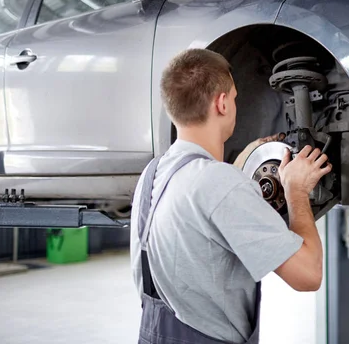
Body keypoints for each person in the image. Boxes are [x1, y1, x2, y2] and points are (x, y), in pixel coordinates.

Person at [130, 48, 332, 344]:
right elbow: (309, 275)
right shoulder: (220, 184)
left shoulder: (153, 174)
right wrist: (296, 191)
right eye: (236, 97)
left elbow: (203, 214)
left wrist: (239, 171)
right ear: (222, 103)